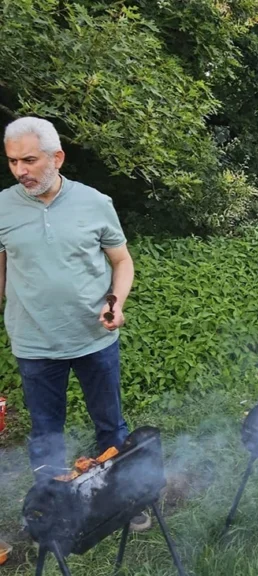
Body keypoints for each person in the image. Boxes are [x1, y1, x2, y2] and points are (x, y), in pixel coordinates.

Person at [0, 118, 147, 529]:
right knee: (46, 433)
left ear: (57, 157)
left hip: (93, 336)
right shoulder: (2, 207)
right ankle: (52, 512)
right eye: (13, 161)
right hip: (33, 342)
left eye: (29, 160)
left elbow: (121, 260)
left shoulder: (95, 202)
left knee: (110, 424)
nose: (20, 170)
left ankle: (121, 503)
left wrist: (116, 303)